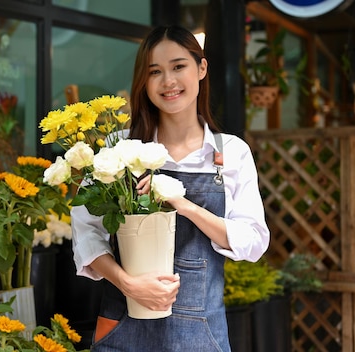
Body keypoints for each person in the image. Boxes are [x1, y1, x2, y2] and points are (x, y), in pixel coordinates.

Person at [70, 25, 270, 351]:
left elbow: (253, 241)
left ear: (201, 68)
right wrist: (129, 284)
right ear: (143, 81)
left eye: (178, 66)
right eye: (155, 72)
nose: (168, 82)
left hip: (200, 335)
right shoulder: (119, 149)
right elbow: (86, 232)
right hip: (121, 326)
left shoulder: (230, 153)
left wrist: (185, 205)